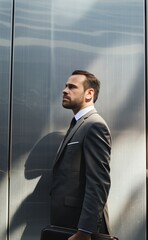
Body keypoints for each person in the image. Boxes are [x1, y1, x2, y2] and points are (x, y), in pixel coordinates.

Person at [50, 70, 112, 240]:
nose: (64, 90)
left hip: (81, 230)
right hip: (68, 224)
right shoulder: (78, 125)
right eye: (65, 86)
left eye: (72, 87)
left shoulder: (94, 125)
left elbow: (98, 183)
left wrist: (85, 231)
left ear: (89, 93)